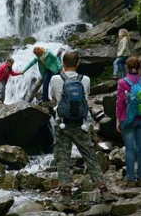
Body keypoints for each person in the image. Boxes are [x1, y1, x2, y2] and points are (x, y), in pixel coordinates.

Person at [49, 51, 117, 204]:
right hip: (82, 124)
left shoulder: (55, 79)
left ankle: (66, 196)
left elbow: (53, 98)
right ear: (78, 63)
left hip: (62, 123)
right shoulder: (85, 79)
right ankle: (104, 191)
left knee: (63, 158)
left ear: (63, 64)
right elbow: (85, 98)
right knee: (90, 156)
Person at [116, 56, 141, 187]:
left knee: (130, 149)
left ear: (127, 67)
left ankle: (130, 179)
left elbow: (119, 103)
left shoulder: (122, 82)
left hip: (127, 118)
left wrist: (118, 119)